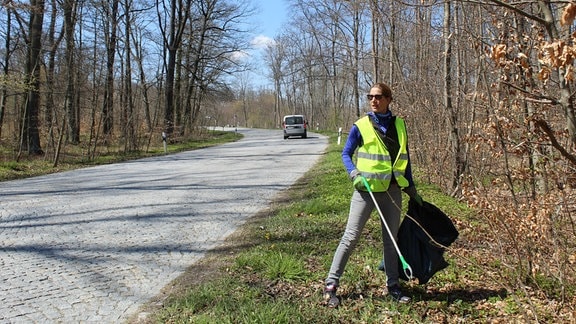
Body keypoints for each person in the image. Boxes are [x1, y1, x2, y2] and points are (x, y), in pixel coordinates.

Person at [323, 82, 422, 308]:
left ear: (388, 99)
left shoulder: (400, 125)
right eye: (370, 97)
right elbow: (346, 153)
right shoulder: (361, 125)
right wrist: (354, 173)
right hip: (365, 191)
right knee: (351, 237)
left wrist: (411, 187)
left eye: (378, 97)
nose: (373, 101)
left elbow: (405, 159)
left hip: (392, 191)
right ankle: (331, 284)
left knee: (390, 241)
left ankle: (393, 286)